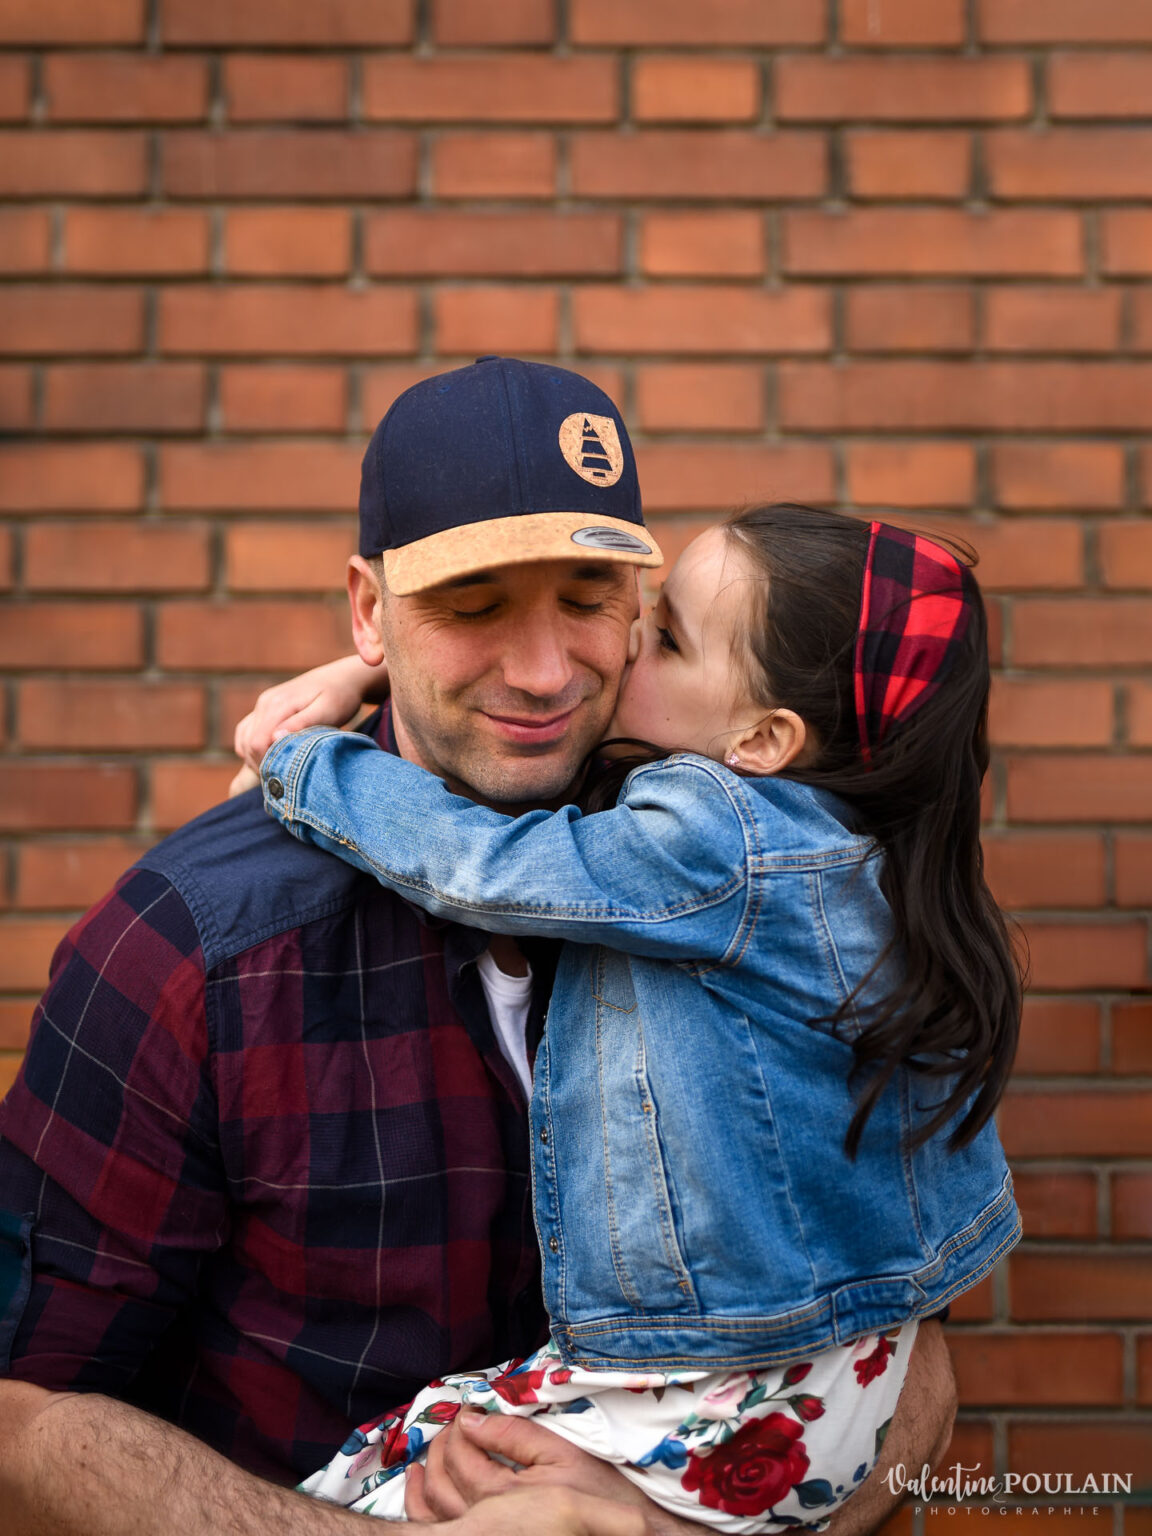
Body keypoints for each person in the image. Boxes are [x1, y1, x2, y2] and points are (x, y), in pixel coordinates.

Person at [0, 359, 957, 1535]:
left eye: (591, 598)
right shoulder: (196, 949)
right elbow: (21, 1431)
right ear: (371, 611)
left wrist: (654, 1525)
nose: (546, 674)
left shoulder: (750, 890)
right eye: (472, 605)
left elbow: (905, 1355)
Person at [248, 499, 1021, 1529]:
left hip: (723, 1382)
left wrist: (306, 762)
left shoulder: (723, 839)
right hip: (849, 1376)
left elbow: (484, 865)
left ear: (762, 738)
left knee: (376, 1487)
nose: (619, 651)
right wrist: (369, 673)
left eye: (665, 639)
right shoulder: (849, 844)